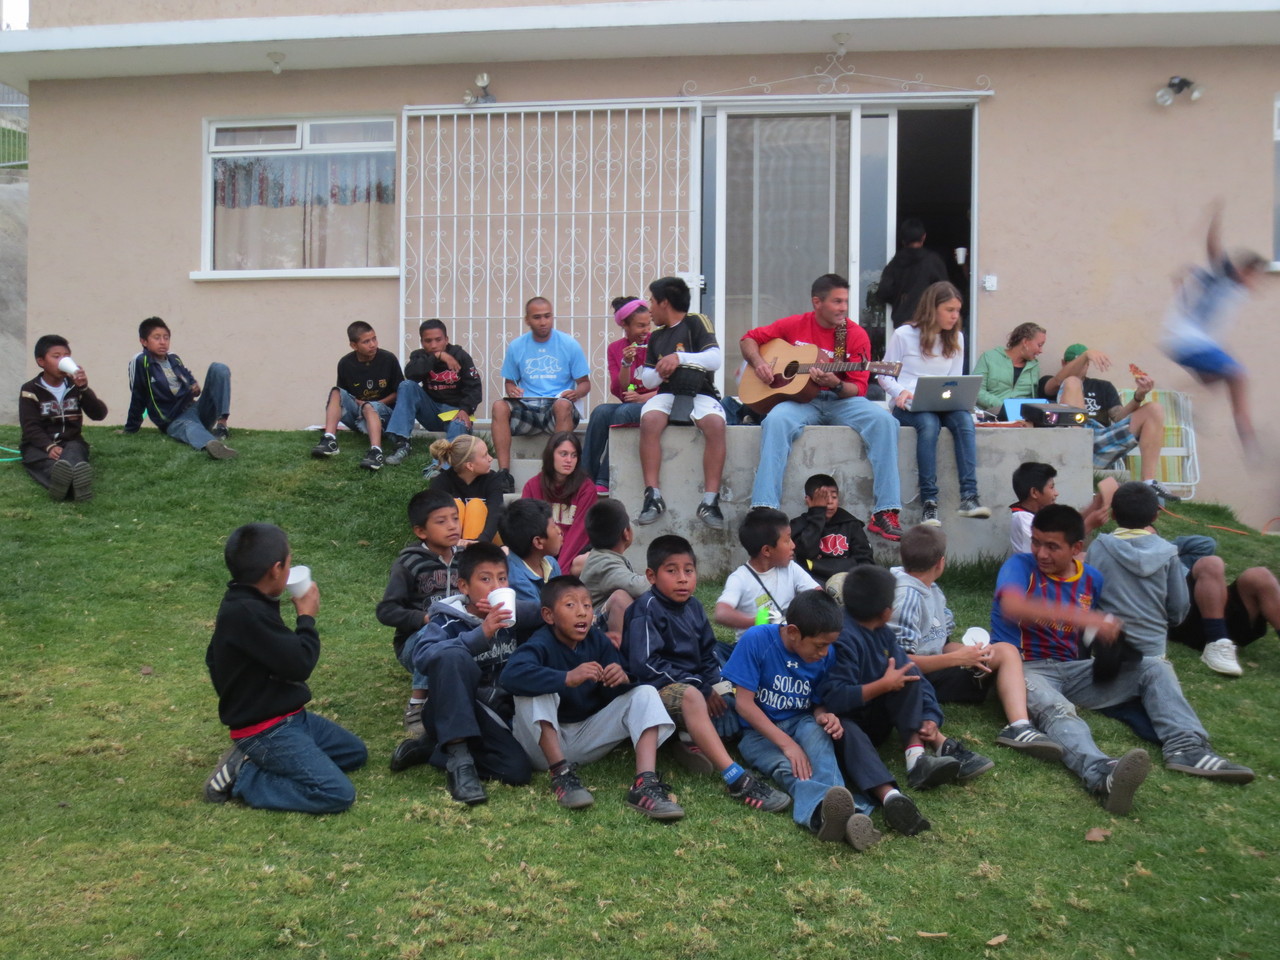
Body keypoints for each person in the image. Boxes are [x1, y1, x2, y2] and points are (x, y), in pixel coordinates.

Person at [991, 504, 1254, 815]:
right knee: (1058, 709)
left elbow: (1095, 630)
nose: (1041, 553)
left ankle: (1187, 748)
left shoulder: (1091, 579)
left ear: (1077, 548)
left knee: (1154, 666)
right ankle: (1101, 773)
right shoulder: (1020, 566)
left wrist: (1107, 637)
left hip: (1072, 671)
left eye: (1052, 546)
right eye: (1036, 542)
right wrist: (1084, 618)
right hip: (1023, 670)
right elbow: (1013, 606)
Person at [203, 523, 368, 812]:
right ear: (276, 570)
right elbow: (299, 664)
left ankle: (261, 758)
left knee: (354, 753)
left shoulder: (250, 601)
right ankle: (243, 775)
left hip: (292, 717)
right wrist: (306, 617)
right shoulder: (245, 613)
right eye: (290, 563)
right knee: (336, 793)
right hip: (266, 729)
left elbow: (212, 658)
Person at [623, 535, 792, 812]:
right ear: (651, 576)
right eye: (671, 571)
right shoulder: (646, 608)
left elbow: (708, 655)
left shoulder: (695, 607)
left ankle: (694, 742)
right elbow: (646, 665)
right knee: (692, 697)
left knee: (736, 694)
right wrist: (702, 688)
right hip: (654, 694)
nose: (682, 579)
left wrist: (719, 687)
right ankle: (736, 779)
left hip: (699, 685)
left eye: (688, 571)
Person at [500, 575, 683, 819]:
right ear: (548, 615)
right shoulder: (540, 642)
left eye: (587, 605)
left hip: (586, 737)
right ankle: (562, 776)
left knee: (645, 693)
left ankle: (645, 784)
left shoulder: (597, 640)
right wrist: (566, 677)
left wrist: (621, 677)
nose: (582, 612)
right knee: (534, 690)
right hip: (541, 745)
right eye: (570, 605)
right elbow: (510, 676)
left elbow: (613, 693)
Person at [741, 274, 903, 542]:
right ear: (817, 302)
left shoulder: (853, 335)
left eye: (846, 302)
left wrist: (836, 384)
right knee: (775, 420)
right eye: (837, 301)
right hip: (802, 400)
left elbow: (858, 389)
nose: (843, 308)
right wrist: (759, 363)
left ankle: (885, 512)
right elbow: (749, 339)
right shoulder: (795, 324)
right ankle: (765, 508)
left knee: (885, 422)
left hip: (842, 401)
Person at [721, 589, 881, 849]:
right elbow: (744, 705)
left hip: (802, 721)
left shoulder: (826, 655)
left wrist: (825, 716)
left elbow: (817, 703)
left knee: (822, 756)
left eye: (828, 645)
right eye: (819, 645)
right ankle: (828, 815)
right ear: (793, 632)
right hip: (757, 733)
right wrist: (787, 744)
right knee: (788, 769)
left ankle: (836, 813)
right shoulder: (757, 639)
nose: (824, 653)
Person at [890, 525, 1062, 760]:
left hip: (939, 667)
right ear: (941, 563)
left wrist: (971, 652)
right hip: (917, 681)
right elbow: (901, 662)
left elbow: (941, 643)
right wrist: (957, 658)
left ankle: (1019, 726)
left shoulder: (932, 590)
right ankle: (1020, 726)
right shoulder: (906, 597)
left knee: (1004, 651)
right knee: (1002, 656)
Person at [391, 542, 541, 804]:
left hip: (491, 713)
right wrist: (480, 635)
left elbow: (545, 613)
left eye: (502, 578)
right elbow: (424, 657)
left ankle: (435, 747)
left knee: (517, 772)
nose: (496, 587)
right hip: (448, 703)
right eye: (485, 579)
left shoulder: (513, 613)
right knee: (450, 655)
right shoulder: (446, 620)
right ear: (464, 587)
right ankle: (459, 763)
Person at [824, 564, 993, 787]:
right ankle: (903, 773)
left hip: (877, 713)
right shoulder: (842, 639)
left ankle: (917, 761)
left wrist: (931, 716)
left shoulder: (882, 632)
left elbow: (911, 672)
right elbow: (834, 698)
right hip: (843, 726)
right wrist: (883, 685)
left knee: (908, 672)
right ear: (886, 612)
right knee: (897, 678)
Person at [1159, 200, 1267, 454]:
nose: (1254, 283)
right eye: (1253, 276)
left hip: (1185, 340)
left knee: (1219, 379)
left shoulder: (1234, 287)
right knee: (1238, 376)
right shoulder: (1225, 275)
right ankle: (1247, 435)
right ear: (1243, 270)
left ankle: (1180, 398)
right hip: (1187, 339)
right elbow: (1213, 248)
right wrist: (1214, 219)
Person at [878, 281, 989, 525]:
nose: (955, 316)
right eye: (949, 309)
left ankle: (969, 496)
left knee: (963, 421)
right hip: (908, 405)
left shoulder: (956, 338)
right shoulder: (903, 335)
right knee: (928, 424)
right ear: (933, 308)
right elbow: (883, 375)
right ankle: (929, 502)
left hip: (942, 404)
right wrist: (901, 391)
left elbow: (955, 381)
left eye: (957, 310)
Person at [633, 276, 727, 530]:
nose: (649, 309)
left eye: (652, 301)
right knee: (650, 420)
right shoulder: (656, 337)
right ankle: (652, 495)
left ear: (664, 303)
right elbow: (649, 379)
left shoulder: (696, 322)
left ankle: (710, 500)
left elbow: (715, 359)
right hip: (668, 393)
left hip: (700, 392)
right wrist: (663, 369)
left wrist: (679, 358)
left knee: (716, 425)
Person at [376, 489, 462, 737]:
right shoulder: (409, 563)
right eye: (441, 521)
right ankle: (417, 704)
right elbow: (386, 610)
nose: (452, 526)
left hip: (457, 638)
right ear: (421, 531)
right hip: (414, 645)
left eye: (455, 518)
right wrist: (424, 619)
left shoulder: (465, 560)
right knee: (434, 632)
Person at [1038, 343, 1176, 497]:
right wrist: (1085, 355)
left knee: (1155, 409)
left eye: (1084, 363)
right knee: (1072, 381)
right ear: (1064, 364)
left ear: (1088, 365)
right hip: (1070, 441)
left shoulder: (1103, 386)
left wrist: (1139, 396)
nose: (1080, 367)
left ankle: (1149, 483)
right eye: (1074, 362)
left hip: (1101, 440)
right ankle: (1079, 450)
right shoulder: (1050, 382)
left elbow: (1118, 418)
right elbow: (1058, 381)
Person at [490, 297, 591, 493]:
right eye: (537, 317)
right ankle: (504, 473)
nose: (543, 322)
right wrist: (511, 389)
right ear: (527, 319)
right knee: (498, 406)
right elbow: (510, 381)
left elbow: (585, 384)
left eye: (547, 316)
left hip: (557, 408)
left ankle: (557, 476)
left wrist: (576, 393)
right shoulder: (517, 346)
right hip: (527, 409)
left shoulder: (569, 344)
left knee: (562, 405)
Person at [1085, 482, 1190, 660]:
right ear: (1155, 516)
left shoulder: (1098, 547)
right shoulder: (1168, 553)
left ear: (1113, 514)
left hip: (1106, 646)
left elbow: (1087, 597)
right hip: (1153, 648)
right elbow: (1179, 605)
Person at [125, 316, 236, 459]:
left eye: (166, 338)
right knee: (189, 427)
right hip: (173, 419)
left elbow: (187, 378)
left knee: (218, 368)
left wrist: (193, 386)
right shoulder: (141, 361)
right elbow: (138, 395)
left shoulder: (174, 358)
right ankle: (213, 445)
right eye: (157, 338)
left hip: (195, 409)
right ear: (144, 341)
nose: (163, 342)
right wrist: (131, 428)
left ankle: (222, 427)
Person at [383, 319, 482, 471]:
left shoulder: (461, 356)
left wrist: (465, 409)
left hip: (456, 412)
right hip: (431, 412)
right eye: (428, 341)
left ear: (447, 339)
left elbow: (474, 388)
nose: (433, 345)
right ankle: (402, 443)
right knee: (407, 386)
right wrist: (437, 356)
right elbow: (411, 375)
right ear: (422, 342)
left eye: (438, 340)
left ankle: (440, 467)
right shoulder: (419, 356)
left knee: (457, 426)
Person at [19, 334, 108, 501]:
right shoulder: (30, 389)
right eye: (56, 356)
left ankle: (67, 485)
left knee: (74, 452)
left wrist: (84, 389)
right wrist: (49, 447)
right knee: (43, 462)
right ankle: (73, 487)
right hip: (38, 446)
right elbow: (30, 426)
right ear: (41, 361)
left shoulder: (74, 387)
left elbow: (99, 414)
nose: (63, 360)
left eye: (66, 356)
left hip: (71, 441)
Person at [580, 297, 655, 494]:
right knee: (601, 412)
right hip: (632, 401)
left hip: (655, 403)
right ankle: (585, 476)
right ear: (625, 325)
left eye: (648, 325)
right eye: (640, 326)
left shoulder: (657, 344)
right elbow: (623, 388)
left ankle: (605, 478)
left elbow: (669, 386)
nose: (646, 330)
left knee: (624, 412)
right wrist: (626, 363)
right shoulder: (616, 348)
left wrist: (642, 398)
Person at [1169, 545, 1280, 678]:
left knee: (1260, 575)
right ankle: (1217, 641)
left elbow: (1204, 542)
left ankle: (1220, 639)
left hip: (1216, 611)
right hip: (1182, 618)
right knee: (1210, 563)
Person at [309, 321, 403, 471]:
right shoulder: (345, 363)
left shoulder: (388, 359)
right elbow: (344, 396)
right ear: (354, 345)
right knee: (336, 392)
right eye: (366, 341)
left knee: (369, 406)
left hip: (384, 415)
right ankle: (330, 440)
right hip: (358, 415)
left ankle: (376, 452)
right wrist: (359, 403)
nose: (373, 344)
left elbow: (399, 392)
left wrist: (374, 404)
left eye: (374, 339)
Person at [715, 507, 819, 638]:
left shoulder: (791, 568)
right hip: (754, 646)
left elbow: (818, 595)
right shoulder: (740, 578)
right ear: (767, 551)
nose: (793, 545)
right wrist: (759, 621)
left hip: (787, 642)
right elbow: (721, 613)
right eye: (787, 540)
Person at [521, 431, 597, 572]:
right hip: (542, 550)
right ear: (551, 455)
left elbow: (579, 534)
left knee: (586, 561)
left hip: (573, 553)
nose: (569, 460)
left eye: (574, 455)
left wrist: (558, 574)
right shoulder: (533, 486)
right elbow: (525, 528)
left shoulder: (586, 488)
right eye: (563, 454)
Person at [1009, 461, 1116, 556]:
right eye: (1051, 487)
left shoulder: (1042, 512)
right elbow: (1057, 548)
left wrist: (1096, 504)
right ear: (1034, 493)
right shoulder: (1023, 519)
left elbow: (1071, 524)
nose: (1056, 493)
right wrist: (1090, 524)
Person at [580, 499, 649, 643]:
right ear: (626, 533)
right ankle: (619, 656)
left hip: (596, 626)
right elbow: (637, 587)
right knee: (620, 598)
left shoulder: (603, 557)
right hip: (589, 631)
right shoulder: (604, 563)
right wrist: (662, 577)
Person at [790, 474, 874, 586]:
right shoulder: (798, 525)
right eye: (822, 498)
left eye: (834, 497)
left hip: (848, 582)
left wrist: (819, 564)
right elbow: (805, 554)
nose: (829, 502)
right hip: (813, 584)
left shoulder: (850, 524)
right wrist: (818, 513)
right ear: (808, 500)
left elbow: (866, 562)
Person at [428, 435, 504, 545]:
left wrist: (480, 541)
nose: (490, 458)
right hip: (451, 542)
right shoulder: (441, 482)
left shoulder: (493, 479)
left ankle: (471, 554)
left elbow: (496, 513)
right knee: (455, 504)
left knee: (476, 505)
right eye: (484, 455)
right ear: (470, 466)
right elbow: (435, 520)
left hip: (487, 542)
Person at [875, 217, 950, 327]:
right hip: (928, 324)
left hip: (903, 323)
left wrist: (901, 300)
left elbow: (883, 292)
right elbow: (945, 292)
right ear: (924, 237)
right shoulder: (933, 261)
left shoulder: (895, 264)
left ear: (903, 240)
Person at [972, 321, 1044, 419]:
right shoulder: (990, 357)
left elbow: (1033, 397)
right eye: (1039, 345)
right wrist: (1005, 407)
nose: (1041, 350)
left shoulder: (1034, 365)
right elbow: (977, 390)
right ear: (1025, 342)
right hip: (992, 414)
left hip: (1022, 418)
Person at [499, 498, 563, 606]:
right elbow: (541, 616)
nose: (559, 531)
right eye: (553, 526)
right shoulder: (517, 580)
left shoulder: (550, 563)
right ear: (538, 542)